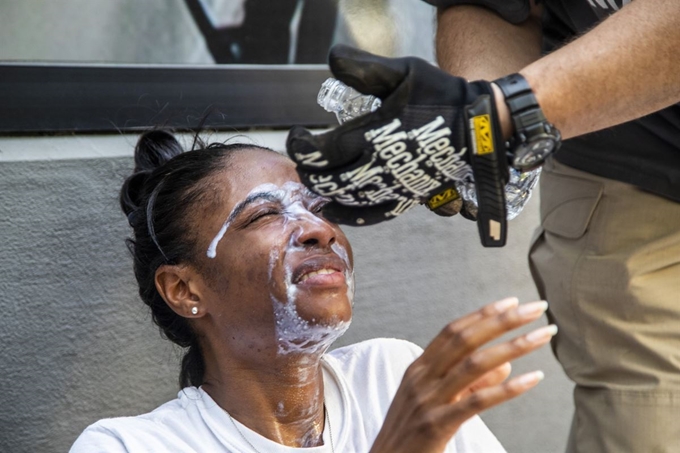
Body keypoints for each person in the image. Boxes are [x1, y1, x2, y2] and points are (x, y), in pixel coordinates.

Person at [285, 1, 680, 451]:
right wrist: (475, 128)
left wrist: (498, 115)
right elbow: (493, 6)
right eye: (262, 215)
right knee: (646, 424)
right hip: (626, 169)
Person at [70, 129, 556, 453]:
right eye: (264, 215)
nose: (318, 231)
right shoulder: (129, 447)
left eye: (317, 209)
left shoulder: (391, 376)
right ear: (184, 289)